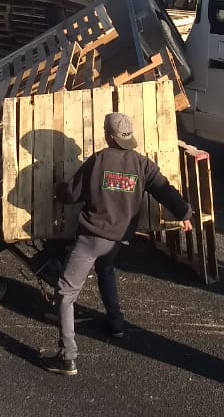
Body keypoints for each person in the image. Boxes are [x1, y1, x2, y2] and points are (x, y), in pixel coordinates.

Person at [41, 112, 193, 377]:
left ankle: (67, 358)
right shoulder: (143, 164)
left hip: (92, 237)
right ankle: (116, 323)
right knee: (106, 270)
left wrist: (57, 189)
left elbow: (72, 194)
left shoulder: (99, 160)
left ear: (108, 136)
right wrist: (184, 214)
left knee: (66, 293)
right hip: (119, 239)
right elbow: (165, 191)